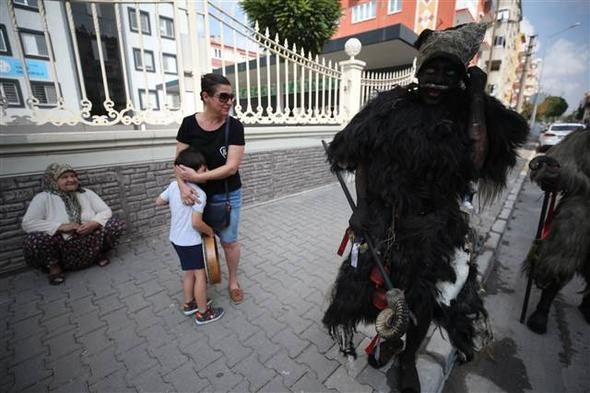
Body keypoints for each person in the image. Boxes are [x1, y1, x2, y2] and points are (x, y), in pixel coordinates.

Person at [322, 23, 529, 393]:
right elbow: (361, 158)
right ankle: (388, 340)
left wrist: (478, 97)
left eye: (450, 72)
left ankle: (406, 360)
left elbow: (479, 161)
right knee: (380, 292)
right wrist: (363, 208)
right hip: (385, 221)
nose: (437, 80)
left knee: (421, 300)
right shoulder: (392, 106)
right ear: (419, 68)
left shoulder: (469, 111)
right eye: (431, 69)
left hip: (435, 228)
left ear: (462, 76)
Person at [175, 73, 246, 305]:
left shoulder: (234, 127)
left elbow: (232, 167)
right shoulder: (188, 124)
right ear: (205, 96)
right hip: (195, 196)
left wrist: (198, 176)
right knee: (198, 238)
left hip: (227, 194)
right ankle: (202, 277)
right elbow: (178, 162)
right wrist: (183, 187)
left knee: (229, 241)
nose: (229, 102)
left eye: (231, 97)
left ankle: (233, 281)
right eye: (223, 97)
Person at [524, 127, 590, 334]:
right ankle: (543, 307)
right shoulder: (583, 140)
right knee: (560, 259)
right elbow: (553, 164)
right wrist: (551, 173)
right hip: (582, 212)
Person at [22, 162, 124, 285]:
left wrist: (94, 223)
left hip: (90, 239)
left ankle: (98, 254)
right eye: (64, 177)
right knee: (33, 239)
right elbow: (28, 223)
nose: (71, 179)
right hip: (63, 246)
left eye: (73, 176)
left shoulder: (85, 193)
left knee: (115, 223)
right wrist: (61, 227)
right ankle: (55, 268)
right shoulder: (43, 198)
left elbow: (106, 211)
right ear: (53, 180)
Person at [156, 147, 224, 325]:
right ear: (191, 171)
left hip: (176, 239)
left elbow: (158, 201)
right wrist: (210, 231)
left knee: (189, 273)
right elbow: (196, 223)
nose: (206, 172)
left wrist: (173, 200)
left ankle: (189, 303)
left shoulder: (173, 186)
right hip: (190, 242)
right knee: (200, 276)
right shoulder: (199, 194)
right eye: (203, 169)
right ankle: (203, 313)